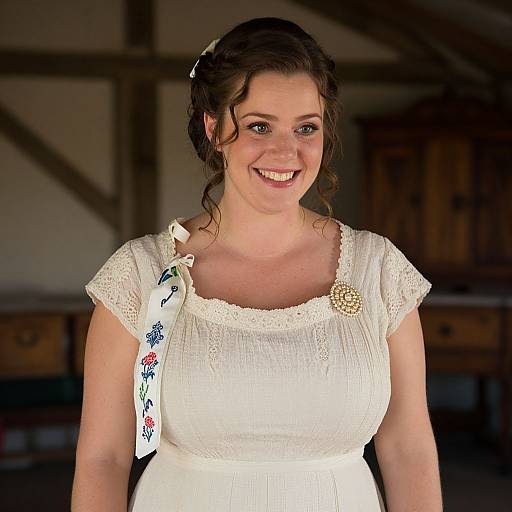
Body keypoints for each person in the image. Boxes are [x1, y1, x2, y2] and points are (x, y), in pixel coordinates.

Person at [71, 17, 443, 512]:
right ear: (213, 128)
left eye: (305, 128)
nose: (285, 152)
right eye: (259, 126)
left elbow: (409, 450)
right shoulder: (137, 275)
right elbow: (104, 458)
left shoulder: (378, 271)